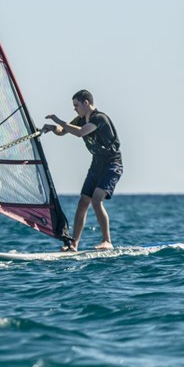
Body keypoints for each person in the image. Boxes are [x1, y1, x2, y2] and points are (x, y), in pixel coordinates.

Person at [43, 89, 122, 251]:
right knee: (83, 202)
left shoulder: (100, 118)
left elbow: (80, 133)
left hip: (111, 164)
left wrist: (57, 118)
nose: (74, 109)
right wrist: (52, 128)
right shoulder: (80, 119)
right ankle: (74, 244)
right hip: (96, 165)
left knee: (96, 199)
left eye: (76, 105)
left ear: (86, 103)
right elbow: (63, 131)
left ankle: (107, 241)